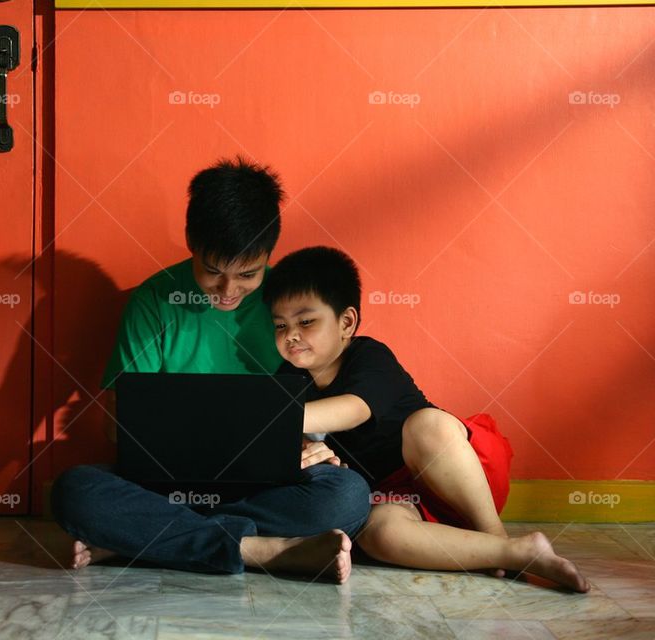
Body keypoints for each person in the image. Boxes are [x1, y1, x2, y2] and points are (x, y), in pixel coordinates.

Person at [51, 158, 371, 582]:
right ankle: (260, 549)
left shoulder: (287, 304)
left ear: (269, 255)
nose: (228, 291)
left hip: (261, 487)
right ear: (191, 242)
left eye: (247, 275)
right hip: (164, 484)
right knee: (75, 491)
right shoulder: (153, 301)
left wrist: (310, 447)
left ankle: (149, 539)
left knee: (348, 495)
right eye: (213, 272)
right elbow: (117, 429)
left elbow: (311, 394)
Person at [262, 245, 589, 592]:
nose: (291, 334)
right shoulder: (288, 381)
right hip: (396, 497)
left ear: (346, 322)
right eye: (280, 325)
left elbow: (354, 408)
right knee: (376, 533)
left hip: (456, 472)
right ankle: (514, 551)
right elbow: (295, 443)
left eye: (306, 321)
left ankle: (492, 532)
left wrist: (267, 420)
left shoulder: (369, 356)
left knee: (425, 425)